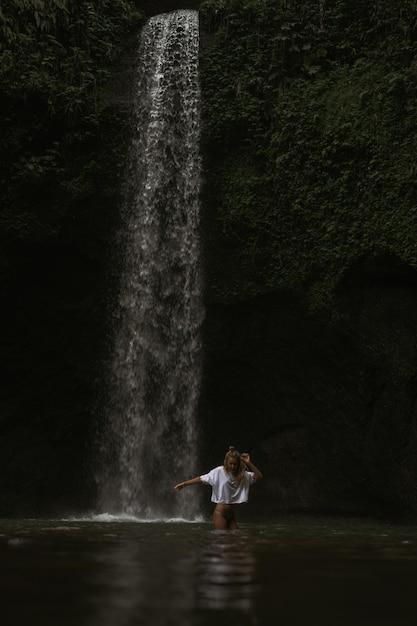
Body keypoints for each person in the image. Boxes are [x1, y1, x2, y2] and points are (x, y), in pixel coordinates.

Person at [174, 446, 263, 529]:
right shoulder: (218, 472)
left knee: (236, 538)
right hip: (220, 513)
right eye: (230, 463)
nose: (233, 466)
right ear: (226, 463)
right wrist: (184, 484)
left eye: (235, 464)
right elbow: (201, 478)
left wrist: (248, 463)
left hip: (231, 514)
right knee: (222, 539)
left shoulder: (241, 475)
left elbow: (259, 476)